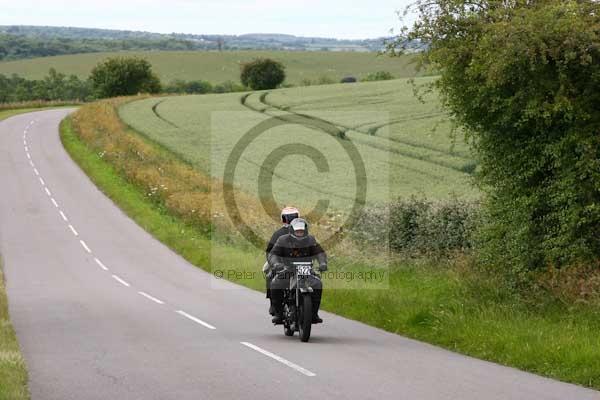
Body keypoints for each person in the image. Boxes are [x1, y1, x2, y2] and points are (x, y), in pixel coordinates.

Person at [268, 218, 327, 324]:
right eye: (297, 231)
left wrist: (322, 263)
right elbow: (273, 254)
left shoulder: (311, 240)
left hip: (306, 271)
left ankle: (313, 313)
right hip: (288, 270)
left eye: (301, 231)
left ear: (305, 231)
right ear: (292, 231)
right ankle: (279, 313)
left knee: (318, 284)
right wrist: (276, 264)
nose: (299, 233)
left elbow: (320, 253)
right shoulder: (282, 240)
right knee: (275, 283)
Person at [263, 207, 300, 315]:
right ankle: (273, 304)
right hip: (281, 261)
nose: (291, 219)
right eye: (289, 217)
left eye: (293, 217)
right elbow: (270, 252)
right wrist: (275, 263)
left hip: (298, 262)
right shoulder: (278, 233)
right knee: (269, 273)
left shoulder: (302, 232)